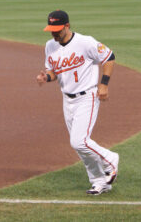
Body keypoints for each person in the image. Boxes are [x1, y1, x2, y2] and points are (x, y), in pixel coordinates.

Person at [37, 10, 119, 195]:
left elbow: (109, 57)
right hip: (67, 99)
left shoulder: (85, 42)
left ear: (67, 26)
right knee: (81, 147)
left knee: (79, 141)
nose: (54, 33)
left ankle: (110, 159)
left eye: (57, 29)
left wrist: (104, 84)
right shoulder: (50, 46)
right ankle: (99, 182)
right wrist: (46, 77)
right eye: (51, 30)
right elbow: (53, 72)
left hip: (87, 96)